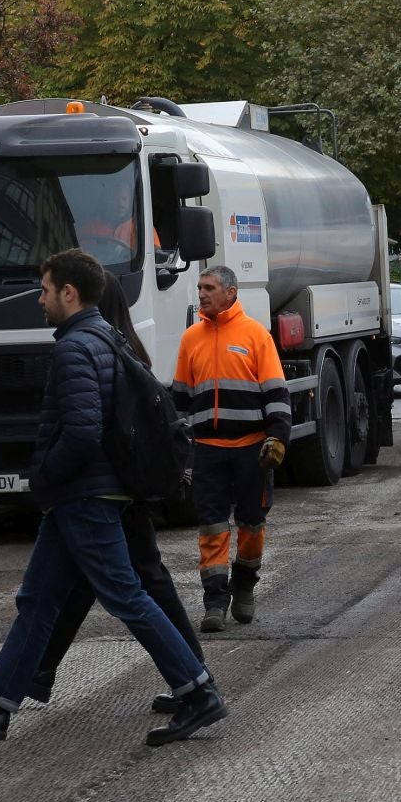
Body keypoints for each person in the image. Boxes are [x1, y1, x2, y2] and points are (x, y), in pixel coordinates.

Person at [0, 249, 225, 746]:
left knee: (127, 596)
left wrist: (43, 477)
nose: (40, 300)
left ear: (69, 292)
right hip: (87, 493)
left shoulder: (75, 348)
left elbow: (83, 432)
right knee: (38, 600)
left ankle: (197, 692)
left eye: (45, 290)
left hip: (83, 495)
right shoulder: (103, 337)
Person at [29, 271, 204, 710]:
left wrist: (49, 475)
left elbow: (92, 430)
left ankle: (195, 678)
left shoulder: (98, 349)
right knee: (95, 584)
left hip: (112, 490)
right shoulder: (123, 347)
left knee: (135, 586)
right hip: (122, 489)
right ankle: (35, 672)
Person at [172, 266, 292, 631]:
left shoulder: (256, 335)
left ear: (231, 292)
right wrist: (180, 452)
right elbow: (180, 402)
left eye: (209, 288)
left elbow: (276, 393)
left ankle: (244, 585)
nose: (202, 294)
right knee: (211, 527)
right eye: (200, 287)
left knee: (252, 525)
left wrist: (277, 438)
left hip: (252, 450)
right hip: (208, 451)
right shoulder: (191, 338)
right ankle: (213, 602)